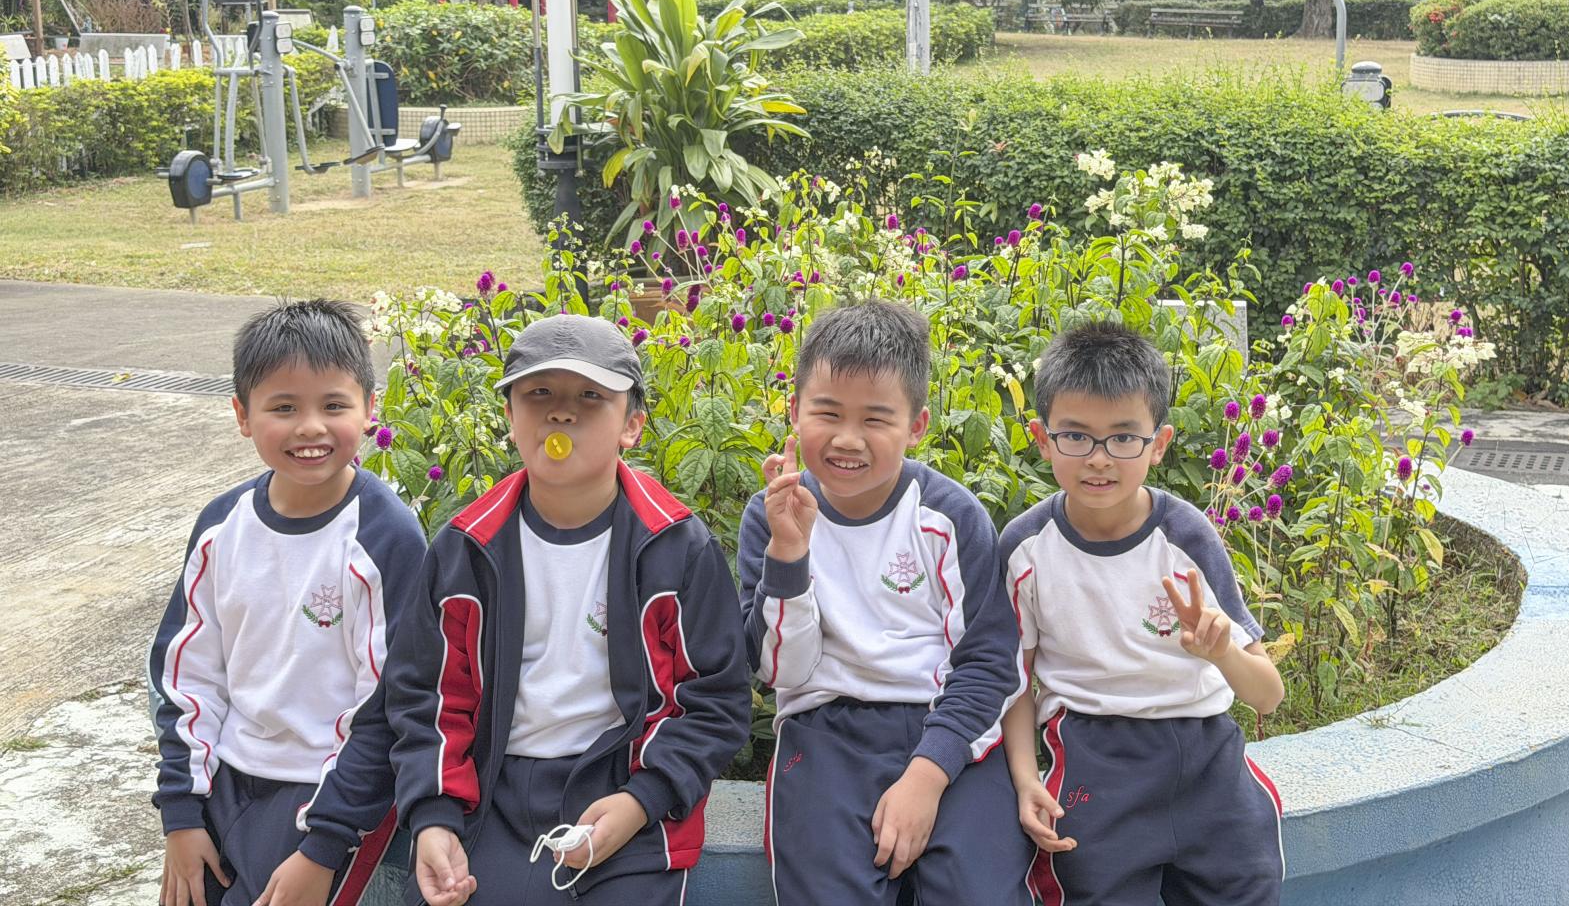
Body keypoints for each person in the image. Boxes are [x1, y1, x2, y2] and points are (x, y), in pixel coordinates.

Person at [383, 313, 750, 906]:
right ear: (510, 417)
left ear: (632, 424)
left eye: (590, 397)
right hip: (493, 793)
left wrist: (643, 800)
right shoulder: (464, 550)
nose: (561, 413)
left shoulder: (677, 547)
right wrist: (434, 816)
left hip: (628, 788)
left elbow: (715, 699)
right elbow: (426, 695)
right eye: (539, 394)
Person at [738, 299, 1032, 906]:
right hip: (824, 734)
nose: (848, 439)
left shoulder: (948, 517)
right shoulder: (773, 517)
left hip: (949, 727)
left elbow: (988, 663)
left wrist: (928, 774)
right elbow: (779, 671)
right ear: (794, 411)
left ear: (916, 425)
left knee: (980, 892)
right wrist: (789, 554)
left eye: (876, 419)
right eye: (827, 412)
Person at [149, 298, 424, 906]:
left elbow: (388, 706)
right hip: (223, 785)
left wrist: (324, 845)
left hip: (325, 797)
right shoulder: (221, 527)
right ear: (242, 415)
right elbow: (188, 677)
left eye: (334, 405)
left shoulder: (386, 538)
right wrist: (181, 813)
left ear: (370, 408)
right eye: (283, 408)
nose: (310, 427)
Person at [1000, 320, 1285, 906]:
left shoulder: (1187, 538)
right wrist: (1027, 780)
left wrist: (1222, 653)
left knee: (1248, 885)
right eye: (1075, 436)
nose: (1099, 459)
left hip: (1205, 757)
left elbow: (1268, 695)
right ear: (1041, 438)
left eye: (1124, 438)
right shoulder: (1025, 548)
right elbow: (1016, 682)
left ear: (1159, 443)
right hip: (1092, 758)